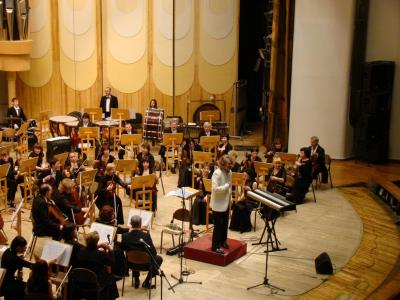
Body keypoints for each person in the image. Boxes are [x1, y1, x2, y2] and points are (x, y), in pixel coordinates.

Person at [121, 215, 163, 289]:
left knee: (134, 253)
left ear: (130, 224)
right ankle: (146, 282)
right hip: (146, 265)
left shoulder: (125, 236)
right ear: (140, 225)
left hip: (130, 264)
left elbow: (123, 248)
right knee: (159, 259)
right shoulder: (146, 236)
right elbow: (153, 253)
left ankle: (136, 279)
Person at [77, 231, 119, 299]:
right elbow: (111, 262)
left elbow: (90, 251)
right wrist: (110, 249)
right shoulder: (100, 254)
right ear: (96, 242)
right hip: (96, 282)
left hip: (83, 280)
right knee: (111, 278)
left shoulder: (81, 251)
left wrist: (98, 246)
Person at [211, 155, 232, 254]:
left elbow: (230, 187)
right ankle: (215, 246)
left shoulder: (229, 172)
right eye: (229, 164)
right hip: (218, 204)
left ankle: (223, 241)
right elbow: (215, 189)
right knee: (218, 226)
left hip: (226, 202)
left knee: (225, 225)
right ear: (223, 164)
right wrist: (226, 186)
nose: (231, 166)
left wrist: (230, 199)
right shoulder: (217, 173)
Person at [1, 236, 32, 300]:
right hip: (7, 285)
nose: (25, 249)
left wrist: (20, 269)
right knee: (28, 289)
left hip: (5, 280)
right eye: (24, 247)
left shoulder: (7, 251)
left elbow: (18, 263)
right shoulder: (15, 259)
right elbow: (30, 265)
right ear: (18, 247)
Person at [230, 168, 258, 233]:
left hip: (252, 201)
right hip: (246, 200)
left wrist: (250, 190)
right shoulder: (245, 181)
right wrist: (239, 200)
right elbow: (243, 193)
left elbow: (255, 197)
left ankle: (245, 227)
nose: (244, 177)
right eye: (244, 175)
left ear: (250, 175)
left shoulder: (254, 183)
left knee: (242, 208)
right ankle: (236, 226)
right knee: (236, 205)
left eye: (245, 176)